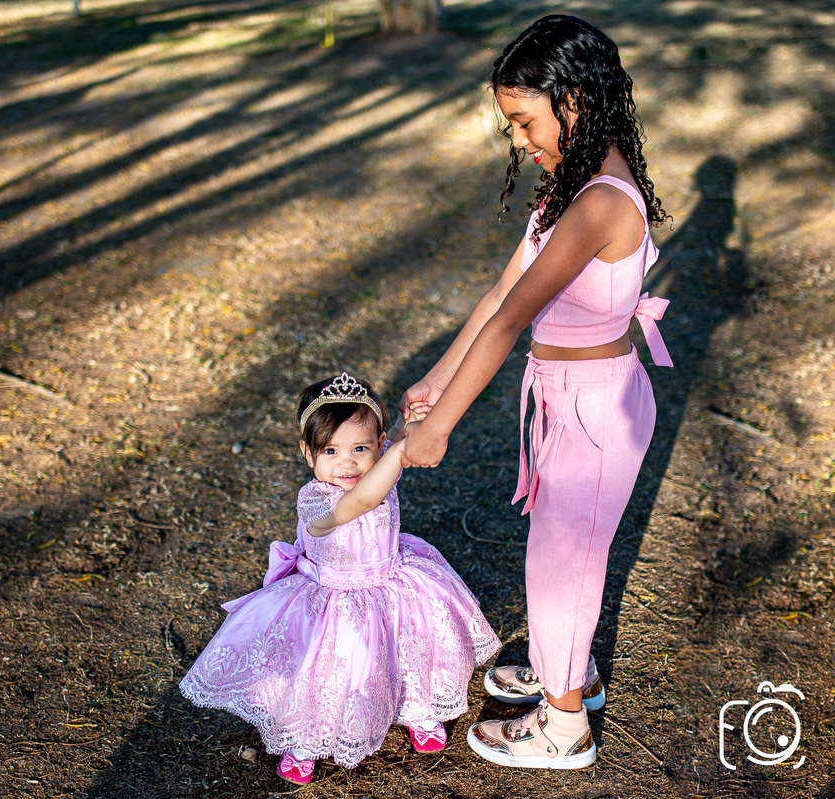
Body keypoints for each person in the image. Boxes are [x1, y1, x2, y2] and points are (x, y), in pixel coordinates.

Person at [399, 15, 672, 770]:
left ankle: (563, 723)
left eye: (524, 120)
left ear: (574, 99)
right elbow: (500, 293)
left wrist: (440, 428)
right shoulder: (571, 185)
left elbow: (516, 316)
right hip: (565, 398)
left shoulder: (599, 204)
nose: (518, 138)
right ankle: (568, 668)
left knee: (563, 564)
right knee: (556, 557)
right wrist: (437, 378)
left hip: (597, 408)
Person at [179, 373, 500, 784]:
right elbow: (363, 499)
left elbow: (388, 452)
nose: (347, 462)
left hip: (390, 585)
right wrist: (400, 450)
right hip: (332, 601)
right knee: (324, 671)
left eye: (361, 448)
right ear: (307, 453)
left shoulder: (378, 460)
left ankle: (419, 708)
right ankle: (304, 737)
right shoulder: (317, 500)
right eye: (330, 450)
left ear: (378, 443)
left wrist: (410, 427)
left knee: (409, 647)